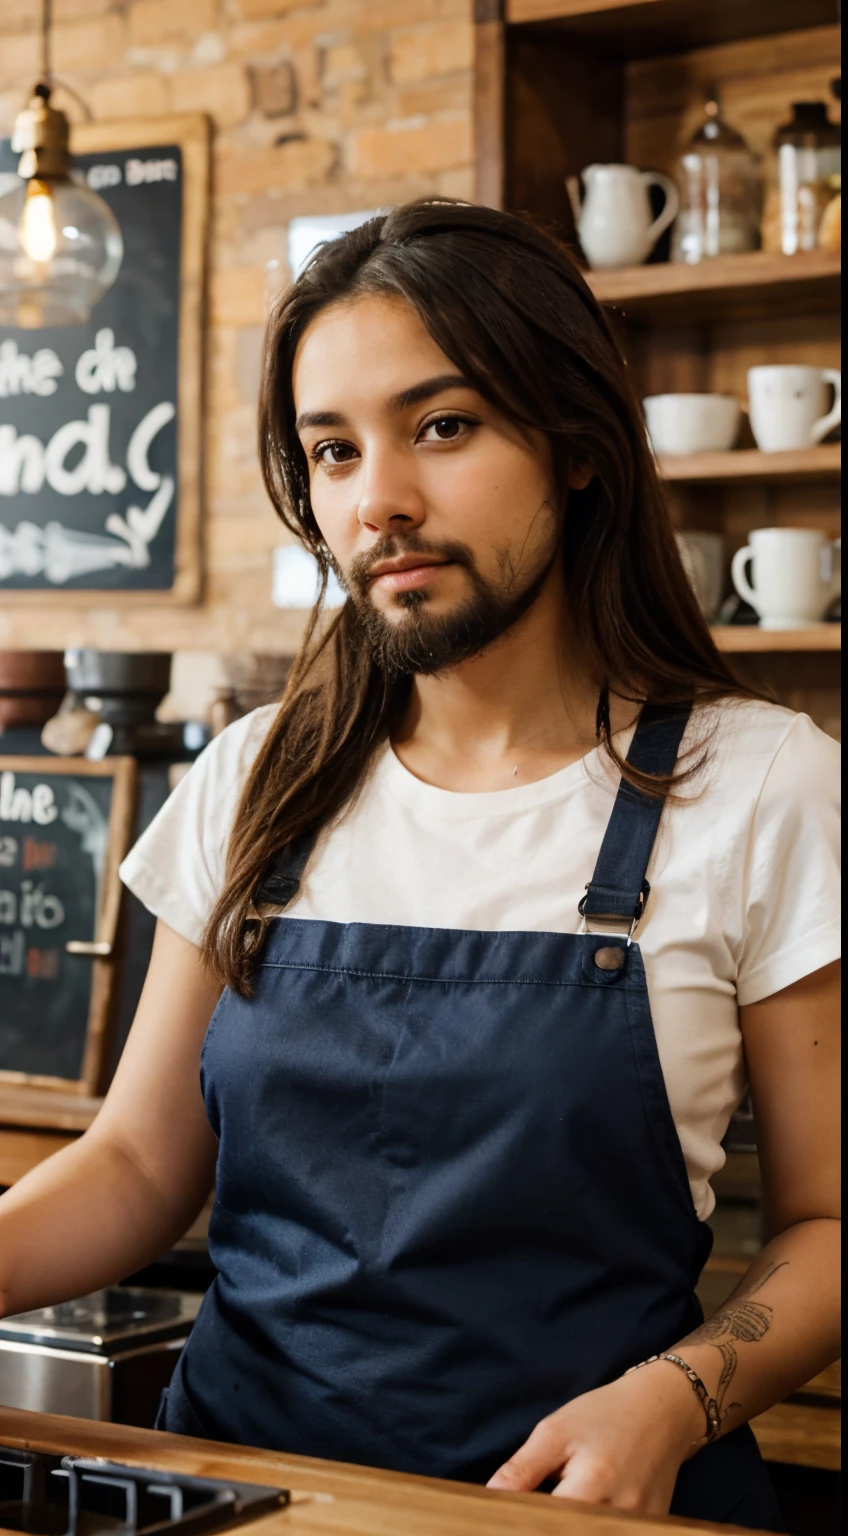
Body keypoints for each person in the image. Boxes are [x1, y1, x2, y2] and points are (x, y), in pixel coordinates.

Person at [0, 201, 839, 1529]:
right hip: (243, 1499)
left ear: (573, 445)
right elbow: (138, 1165)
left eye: (441, 427)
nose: (378, 498)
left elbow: (831, 1224)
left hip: (570, 1512)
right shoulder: (256, 776)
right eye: (333, 450)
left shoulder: (760, 783)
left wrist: (673, 1402)